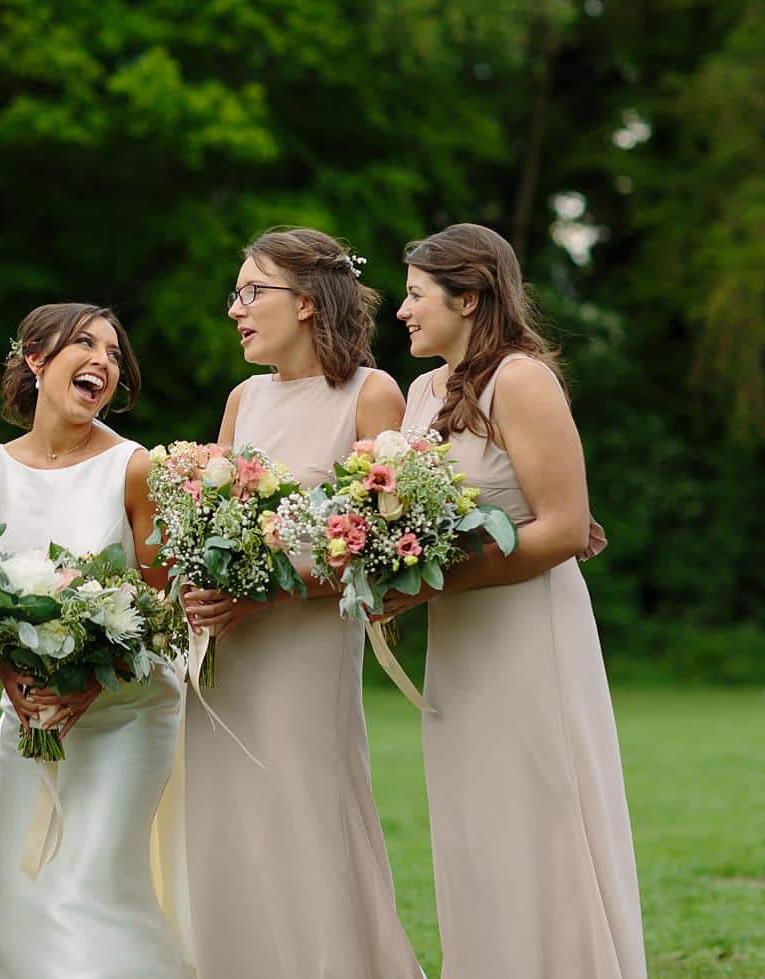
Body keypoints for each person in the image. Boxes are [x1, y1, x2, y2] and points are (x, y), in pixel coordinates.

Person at [387, 222, 646, 979]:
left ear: (467, 297)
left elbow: (565, 527)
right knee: (476, 823)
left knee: (540, 811)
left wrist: (435, 580)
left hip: (528, 632)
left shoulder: (522, 379)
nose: (402, 311)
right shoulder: (420, 391)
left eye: (415, 294)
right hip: (460, 641)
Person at [181, 228, 424, 977]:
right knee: (227, 830)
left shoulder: (370, 394)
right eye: (237, 293)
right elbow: (207, 523)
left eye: (254, 292)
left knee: (309, 822)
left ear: (310, 302)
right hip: (226, 660)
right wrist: (201, 584)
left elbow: (387, 549)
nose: (236, 309)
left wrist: (267, 592)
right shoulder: (243, 399)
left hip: (306, 656)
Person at [0, 303, 191, 978]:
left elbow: (162, 603)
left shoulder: (134, 468)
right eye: (85, 344)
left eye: (115, 354)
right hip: (27, 716)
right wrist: (16, 684)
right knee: (18, 895)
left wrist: (90, 681)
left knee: (92, 885)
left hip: (127, 713)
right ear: (35, 357)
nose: (104, 360)